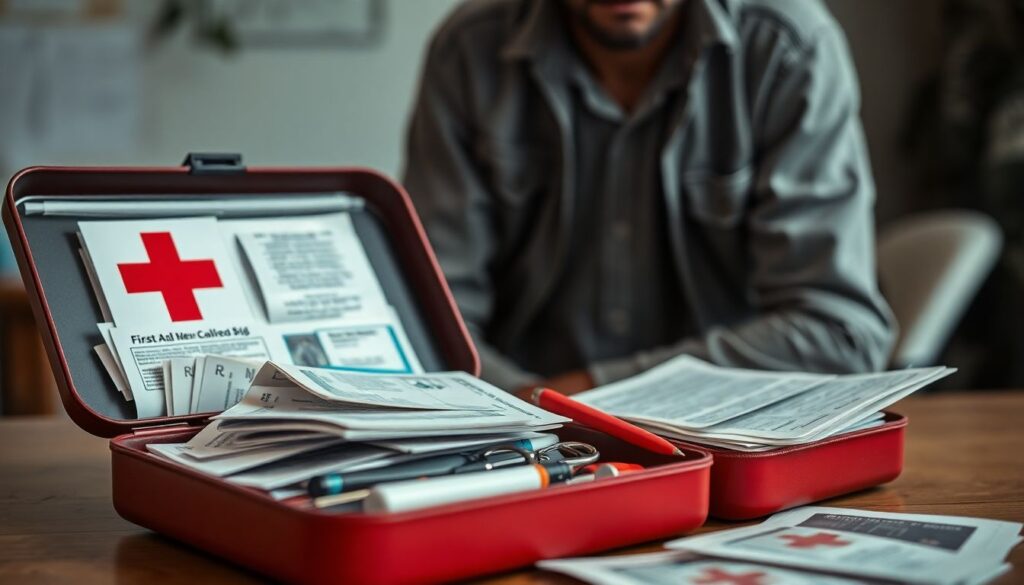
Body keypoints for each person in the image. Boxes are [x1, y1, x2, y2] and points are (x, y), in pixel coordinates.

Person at [402, 0, 896, 396]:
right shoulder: (468, 51)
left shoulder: (787, 46)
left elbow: (839, 333)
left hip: (727, 434)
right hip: (519, 436)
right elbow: (430, 316)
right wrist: (516, 402)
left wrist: (582, 395)